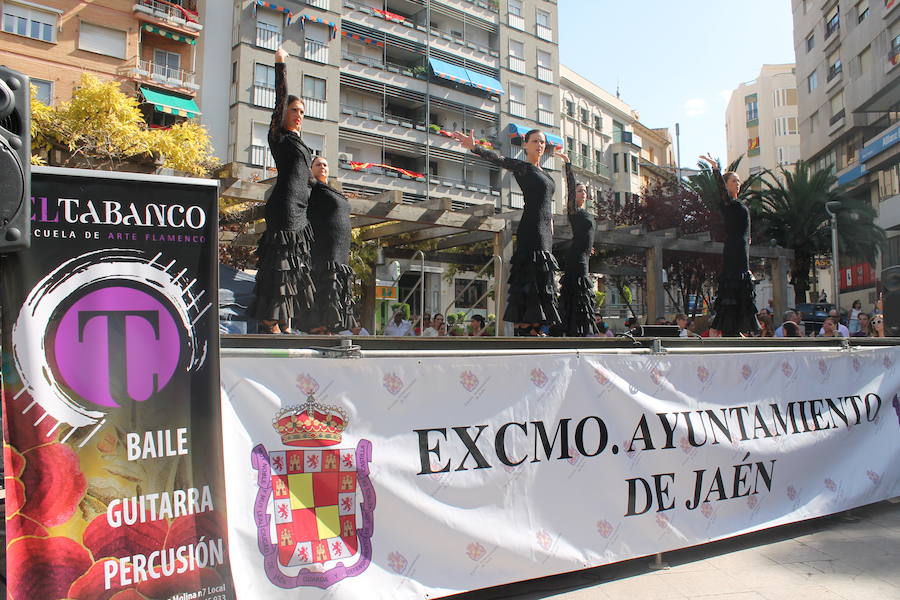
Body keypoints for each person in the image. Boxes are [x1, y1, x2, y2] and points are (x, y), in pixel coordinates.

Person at [451, 129, 561, 336]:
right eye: (535, 141)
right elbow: (500, 159)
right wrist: (475, 148)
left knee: (543, 275)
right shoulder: (524, 168)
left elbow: (547, 203)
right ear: (525, 145)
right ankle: (527, 329)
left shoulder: (546, 173)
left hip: (546, 230)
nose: (540, 145)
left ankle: (536, 328)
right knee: (530, 272)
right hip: (532, 227)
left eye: (543, 142)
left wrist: (551, 222)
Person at [248, 48, 316, 334]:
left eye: (302, 111)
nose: (298, 115)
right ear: (283, 114)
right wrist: (280, 64)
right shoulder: (278, 135)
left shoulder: (299, 142)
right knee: (281, 260)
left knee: (295, 263)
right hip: (285, 206)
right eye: (293, 110)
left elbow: (308, 179)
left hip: (301, 209)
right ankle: (269, 319)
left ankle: (284, 319)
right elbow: (280, 97)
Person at [698, 155, 759, 337]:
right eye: (734, 181)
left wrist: (748, 238)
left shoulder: (740, 204)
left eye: (739, 181)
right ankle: (724, 329)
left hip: (742, 248)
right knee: (733, 284)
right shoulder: (728, 203)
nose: (738, 183)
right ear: (726, 185)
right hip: (734, 248)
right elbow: (720, 190)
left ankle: (735, 329)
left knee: (743, 286)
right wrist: (716, 169)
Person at [302, 156, 354, 334]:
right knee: (326, 280)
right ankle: (318, 325)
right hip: (324, 245)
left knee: (338, 281)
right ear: (311, 168)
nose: (322, 167)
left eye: (325, 164)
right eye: (318, 164)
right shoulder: (311, 187)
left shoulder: (331, 189)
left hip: (341, 248)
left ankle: (331, 325)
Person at [557, 153, 597, 336]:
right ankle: (573, 329)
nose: (583, 193)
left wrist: (590, 247)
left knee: (581, 290)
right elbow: (571, 186)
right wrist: (568, 164)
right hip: (577, 256)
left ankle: (578, 329)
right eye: (580, 191)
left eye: (585, 191)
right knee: (579, 288)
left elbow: (587, 234)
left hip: (584, 254)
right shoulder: (574, 210)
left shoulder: (586, 212)